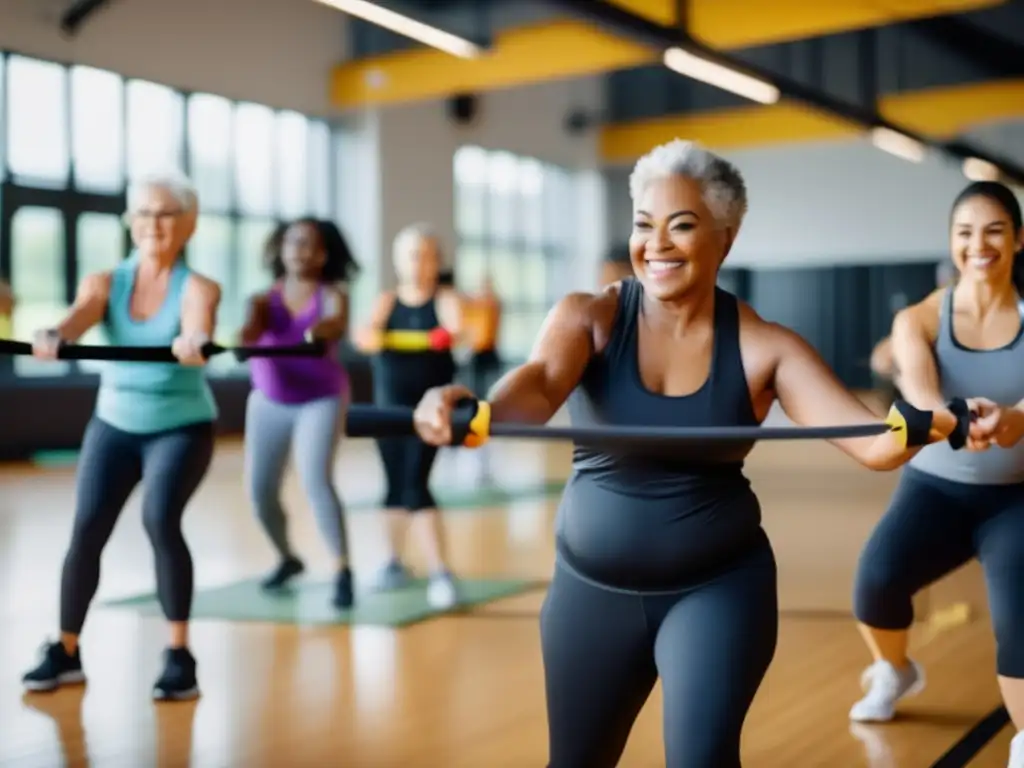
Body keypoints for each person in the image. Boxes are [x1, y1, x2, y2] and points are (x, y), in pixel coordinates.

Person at [409, 138, 959, 768]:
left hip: (717, 591)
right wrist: (474, 412)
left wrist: (919, 424)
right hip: (590, 595)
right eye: (645, 225)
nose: (657, 244)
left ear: (725, 236)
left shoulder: (763, 346)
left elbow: (875, 447)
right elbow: (535, 385)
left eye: (682, 225)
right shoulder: (589, 318)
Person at [21, 171, 220, 701]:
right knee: (87, 528)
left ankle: (179, 656)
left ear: (189, 223)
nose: (153, 223)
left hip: (180, 427)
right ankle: (65, 650)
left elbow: (198, 322)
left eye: (165, 213)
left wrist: (194, 340)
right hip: (114, 423)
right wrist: (55, 335)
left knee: (159, 518)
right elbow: (78, 318)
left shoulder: (197, 287)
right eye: (144, 213)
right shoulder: (106, 282)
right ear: (131, 222)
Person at [849, 181, 1024, 767]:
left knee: (1019, 619)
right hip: (936, 490)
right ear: (952, 242)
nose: (980, 244)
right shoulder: (920, 318)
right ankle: (895, 671)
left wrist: (1015, 419)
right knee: (875, 580)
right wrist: (947, 416)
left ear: (1019, 240)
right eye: (966, 232)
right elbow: (920, 389)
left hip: (1015, 498)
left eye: (995, 230)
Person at [240, 217, 360, 609]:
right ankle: (287, 558)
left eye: (309, 243)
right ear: (281, 248)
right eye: (293, 242)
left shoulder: (332, 295)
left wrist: (319, 333)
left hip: (319, 399)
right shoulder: (262, 299)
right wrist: (242, 340)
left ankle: (342, 569)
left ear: (323, 254)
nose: (299, 250)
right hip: (269, 400)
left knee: (315, 480)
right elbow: (250, 330)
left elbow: (334, 322)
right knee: (260, 491)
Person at [355, 223, 462, 609]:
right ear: (399, 262)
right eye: (412, 255)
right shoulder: (386, 301)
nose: (419, 263)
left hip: (431, 413)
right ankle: (392, 563)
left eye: (426, 255)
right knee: (393, 485)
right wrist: (371, 336)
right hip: (390, 410)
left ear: (436, 262)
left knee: (416, 484)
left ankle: (441, 572)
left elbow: (458, 330)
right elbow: (366, 336)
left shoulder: (445, 299)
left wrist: (446, 336)